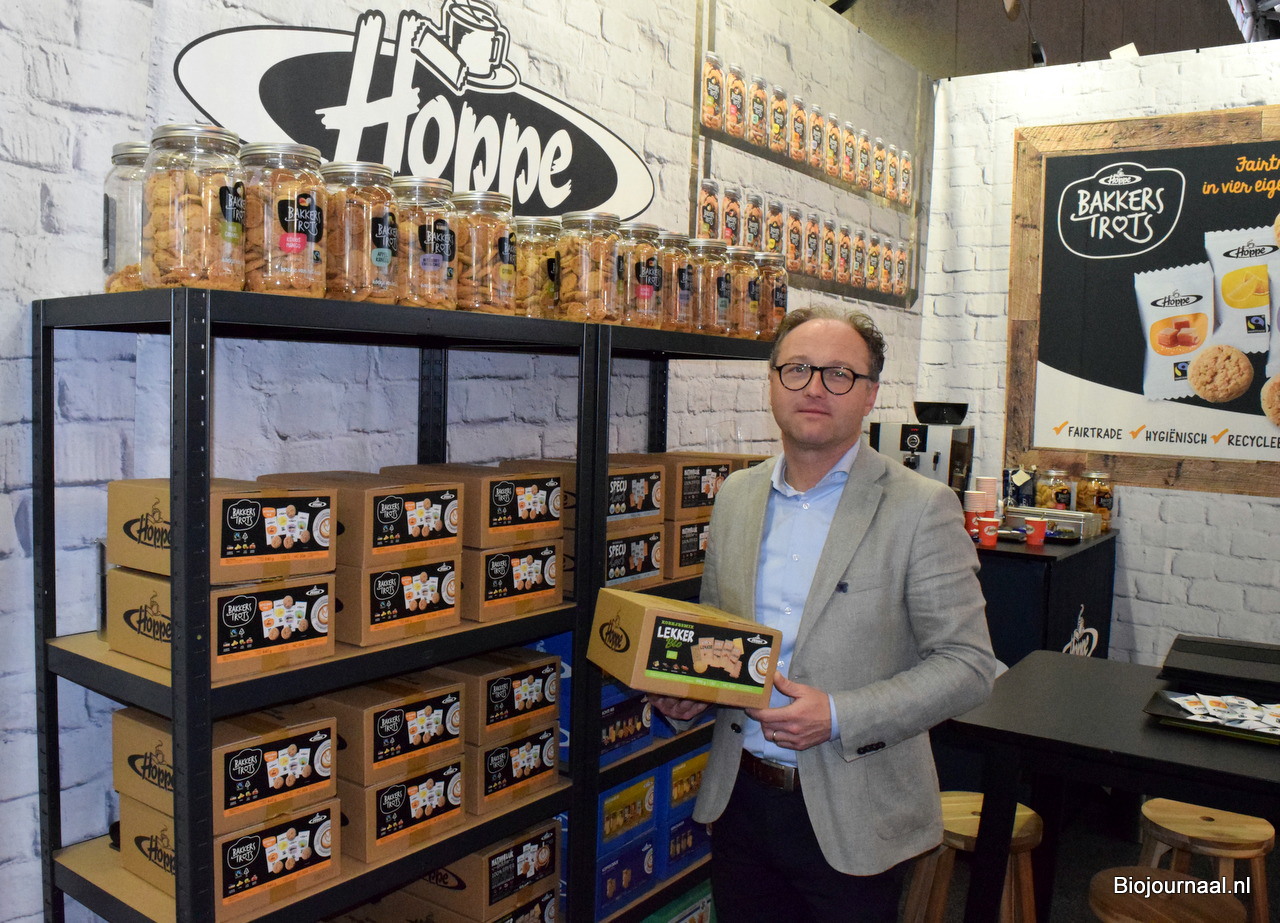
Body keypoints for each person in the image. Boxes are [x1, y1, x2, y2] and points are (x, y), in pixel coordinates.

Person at [651, 305, 996, 922]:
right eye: (797, 369)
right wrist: (694, 690)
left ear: (870, 396)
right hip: (741, 802)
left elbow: (969, 665)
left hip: (856, 814)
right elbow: (721, 633)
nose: (814, 387)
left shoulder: (922, 508)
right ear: (772, 382)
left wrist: (837, 715)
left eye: (839, 374)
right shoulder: (737, 496)